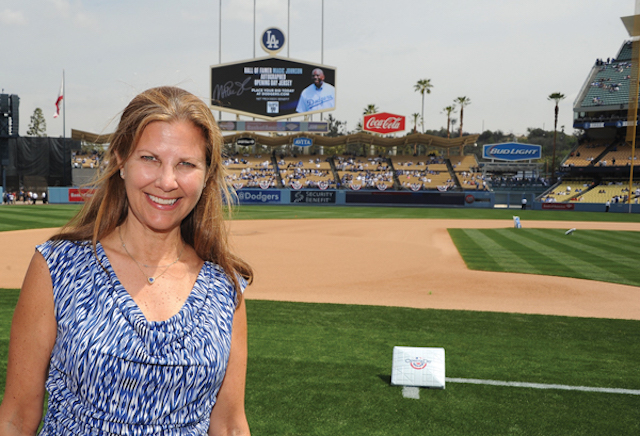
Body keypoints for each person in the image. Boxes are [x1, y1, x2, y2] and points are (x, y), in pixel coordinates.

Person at [0, 86, 253, 435]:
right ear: (121, 160)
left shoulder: (225, 288)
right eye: (149, 158)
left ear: (207, 174)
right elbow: (16, 419)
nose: (167, 181)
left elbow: (229, 425)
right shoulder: (58, 268)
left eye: (186, 164)